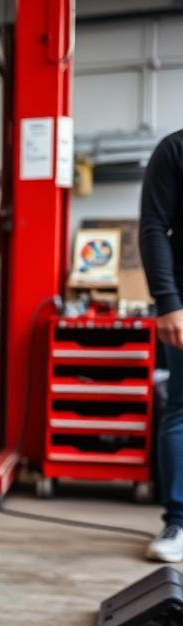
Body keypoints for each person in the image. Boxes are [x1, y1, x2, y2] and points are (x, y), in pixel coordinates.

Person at [140, 128, 183, 563]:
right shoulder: (176, 149)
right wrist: (168, 302)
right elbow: (154, 227)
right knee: (182, 408)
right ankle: (179, 520)